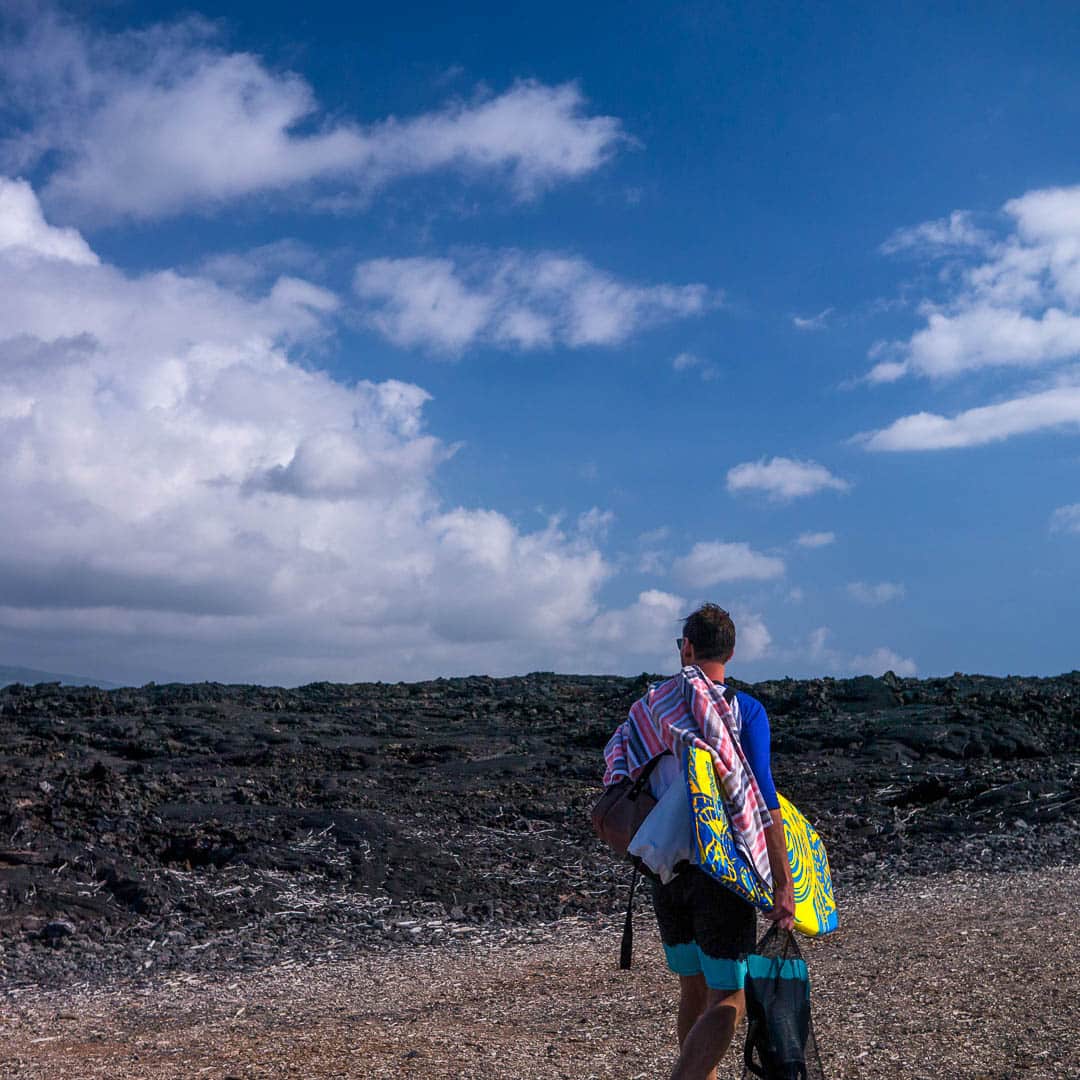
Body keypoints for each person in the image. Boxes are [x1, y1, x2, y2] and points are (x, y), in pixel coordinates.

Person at [602, 603, 794, 1080]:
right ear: (730, 652)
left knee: (692, 985)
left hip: (665, 872)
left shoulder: (649, 709)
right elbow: (762, 801)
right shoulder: (742, 710)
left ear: (685, 648)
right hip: (720, 873)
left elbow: (621, 770)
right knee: (729, 995)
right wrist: (783, 885)